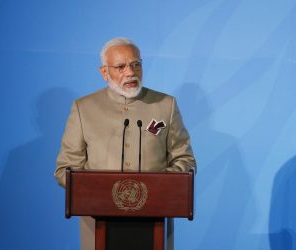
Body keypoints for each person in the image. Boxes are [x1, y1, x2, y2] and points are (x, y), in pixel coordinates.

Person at [54, 37, 196, 250]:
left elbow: (185, 159)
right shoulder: (84, 108)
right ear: (104, 72)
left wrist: (158, 189)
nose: (130, 72)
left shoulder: (165, 105)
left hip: (155, 221)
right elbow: (65, 170)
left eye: (135, 64)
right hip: (98, 222)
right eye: (120, 67)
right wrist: (102, 192)